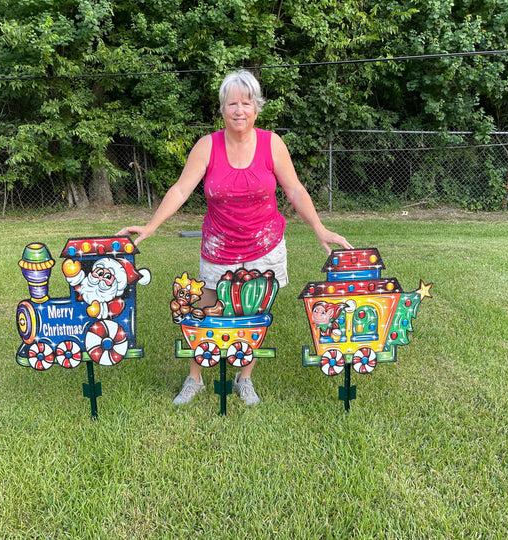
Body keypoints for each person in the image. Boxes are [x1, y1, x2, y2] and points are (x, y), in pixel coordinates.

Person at [117, 70, 353, 406]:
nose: (239, 110)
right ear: (222, 109)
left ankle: (245, 379)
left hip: (265, 246)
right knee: (206, 310)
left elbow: (295, 189)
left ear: (256, 108)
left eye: (246, 103)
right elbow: (182, 188)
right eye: (232, 104)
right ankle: (195, 379)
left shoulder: (272, 144)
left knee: (254, 314)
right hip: (219, 247)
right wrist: (152, 226)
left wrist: (320, 229)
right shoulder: (207, 146)